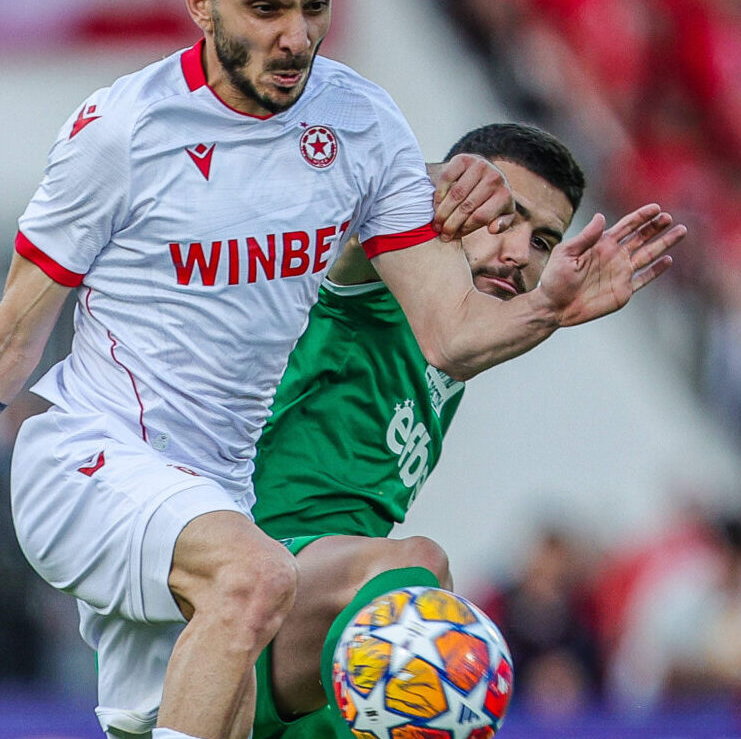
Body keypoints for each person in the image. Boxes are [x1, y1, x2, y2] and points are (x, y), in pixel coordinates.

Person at [0, 0, 682, 739]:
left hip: (217, 501)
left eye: (317, 5)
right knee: (318, 576)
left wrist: (552, 313)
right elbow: (13, 334)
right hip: (92, 457)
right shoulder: (122, 131)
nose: (296, 36)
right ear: (200, 4)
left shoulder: (364, 128)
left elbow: (449, 334)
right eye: (265, 6)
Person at [246, 122, 610, 737]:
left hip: (309, 647)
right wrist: (420, 186)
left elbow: (477, 338)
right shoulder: (375, 280)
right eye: (504, 215)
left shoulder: (459, 346)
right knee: (419, 574)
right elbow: (366, 230)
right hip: (232, 603)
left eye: (543, 239)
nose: (520, 251)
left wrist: (551, 311)